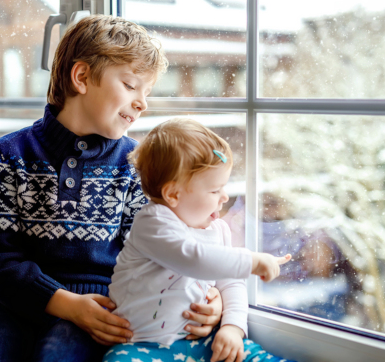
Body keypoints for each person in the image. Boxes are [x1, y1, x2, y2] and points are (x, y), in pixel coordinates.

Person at [0, 15, 223, 362]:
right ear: (82, 77)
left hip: (102, 309)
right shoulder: (11, 154)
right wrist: (65, 304)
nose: (142, 102)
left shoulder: (136, 164)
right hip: (14, 306)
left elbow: (164, 250)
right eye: (131, 85)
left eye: (146, 92)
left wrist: (211, 297)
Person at [105, 118, 295, 362]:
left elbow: (231, 283)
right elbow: (193, 258)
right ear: (173, 194)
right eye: (215, 190)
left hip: (204, 340)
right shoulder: (151, 223)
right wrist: (252, 261)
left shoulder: (218, 230)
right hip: (141, 346)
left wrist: (233, 328)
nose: (224, 197)